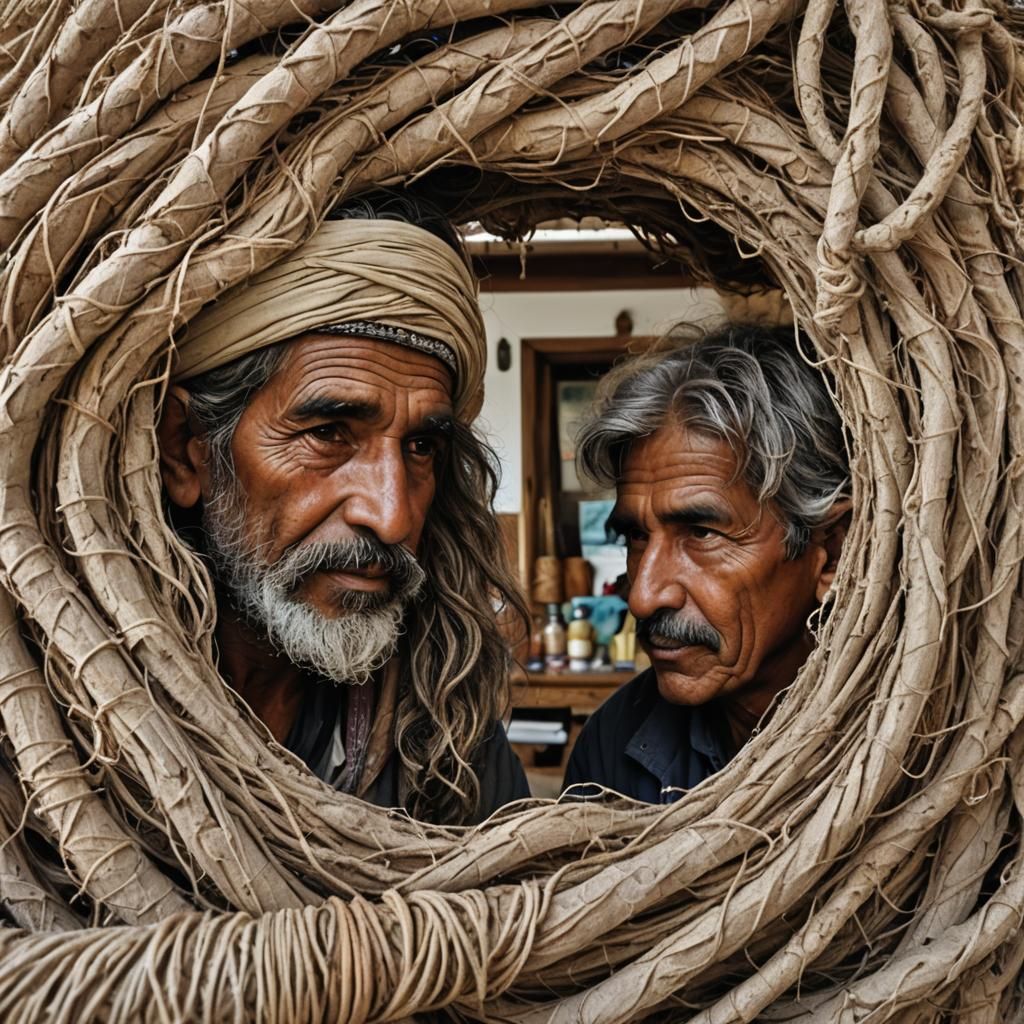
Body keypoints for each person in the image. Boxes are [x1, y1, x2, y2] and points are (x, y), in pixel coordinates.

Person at [157, 193, 530, 825]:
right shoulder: (56, 731)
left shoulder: (450, 743)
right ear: (186, 453)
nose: (393, 517)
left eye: (420, 447)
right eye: (329, 433)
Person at [563, 325, 850, 802]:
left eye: (701, 533)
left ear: (831, 554)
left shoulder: (908, 746)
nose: (643, 595)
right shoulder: (612, 747)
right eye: (636, 535)